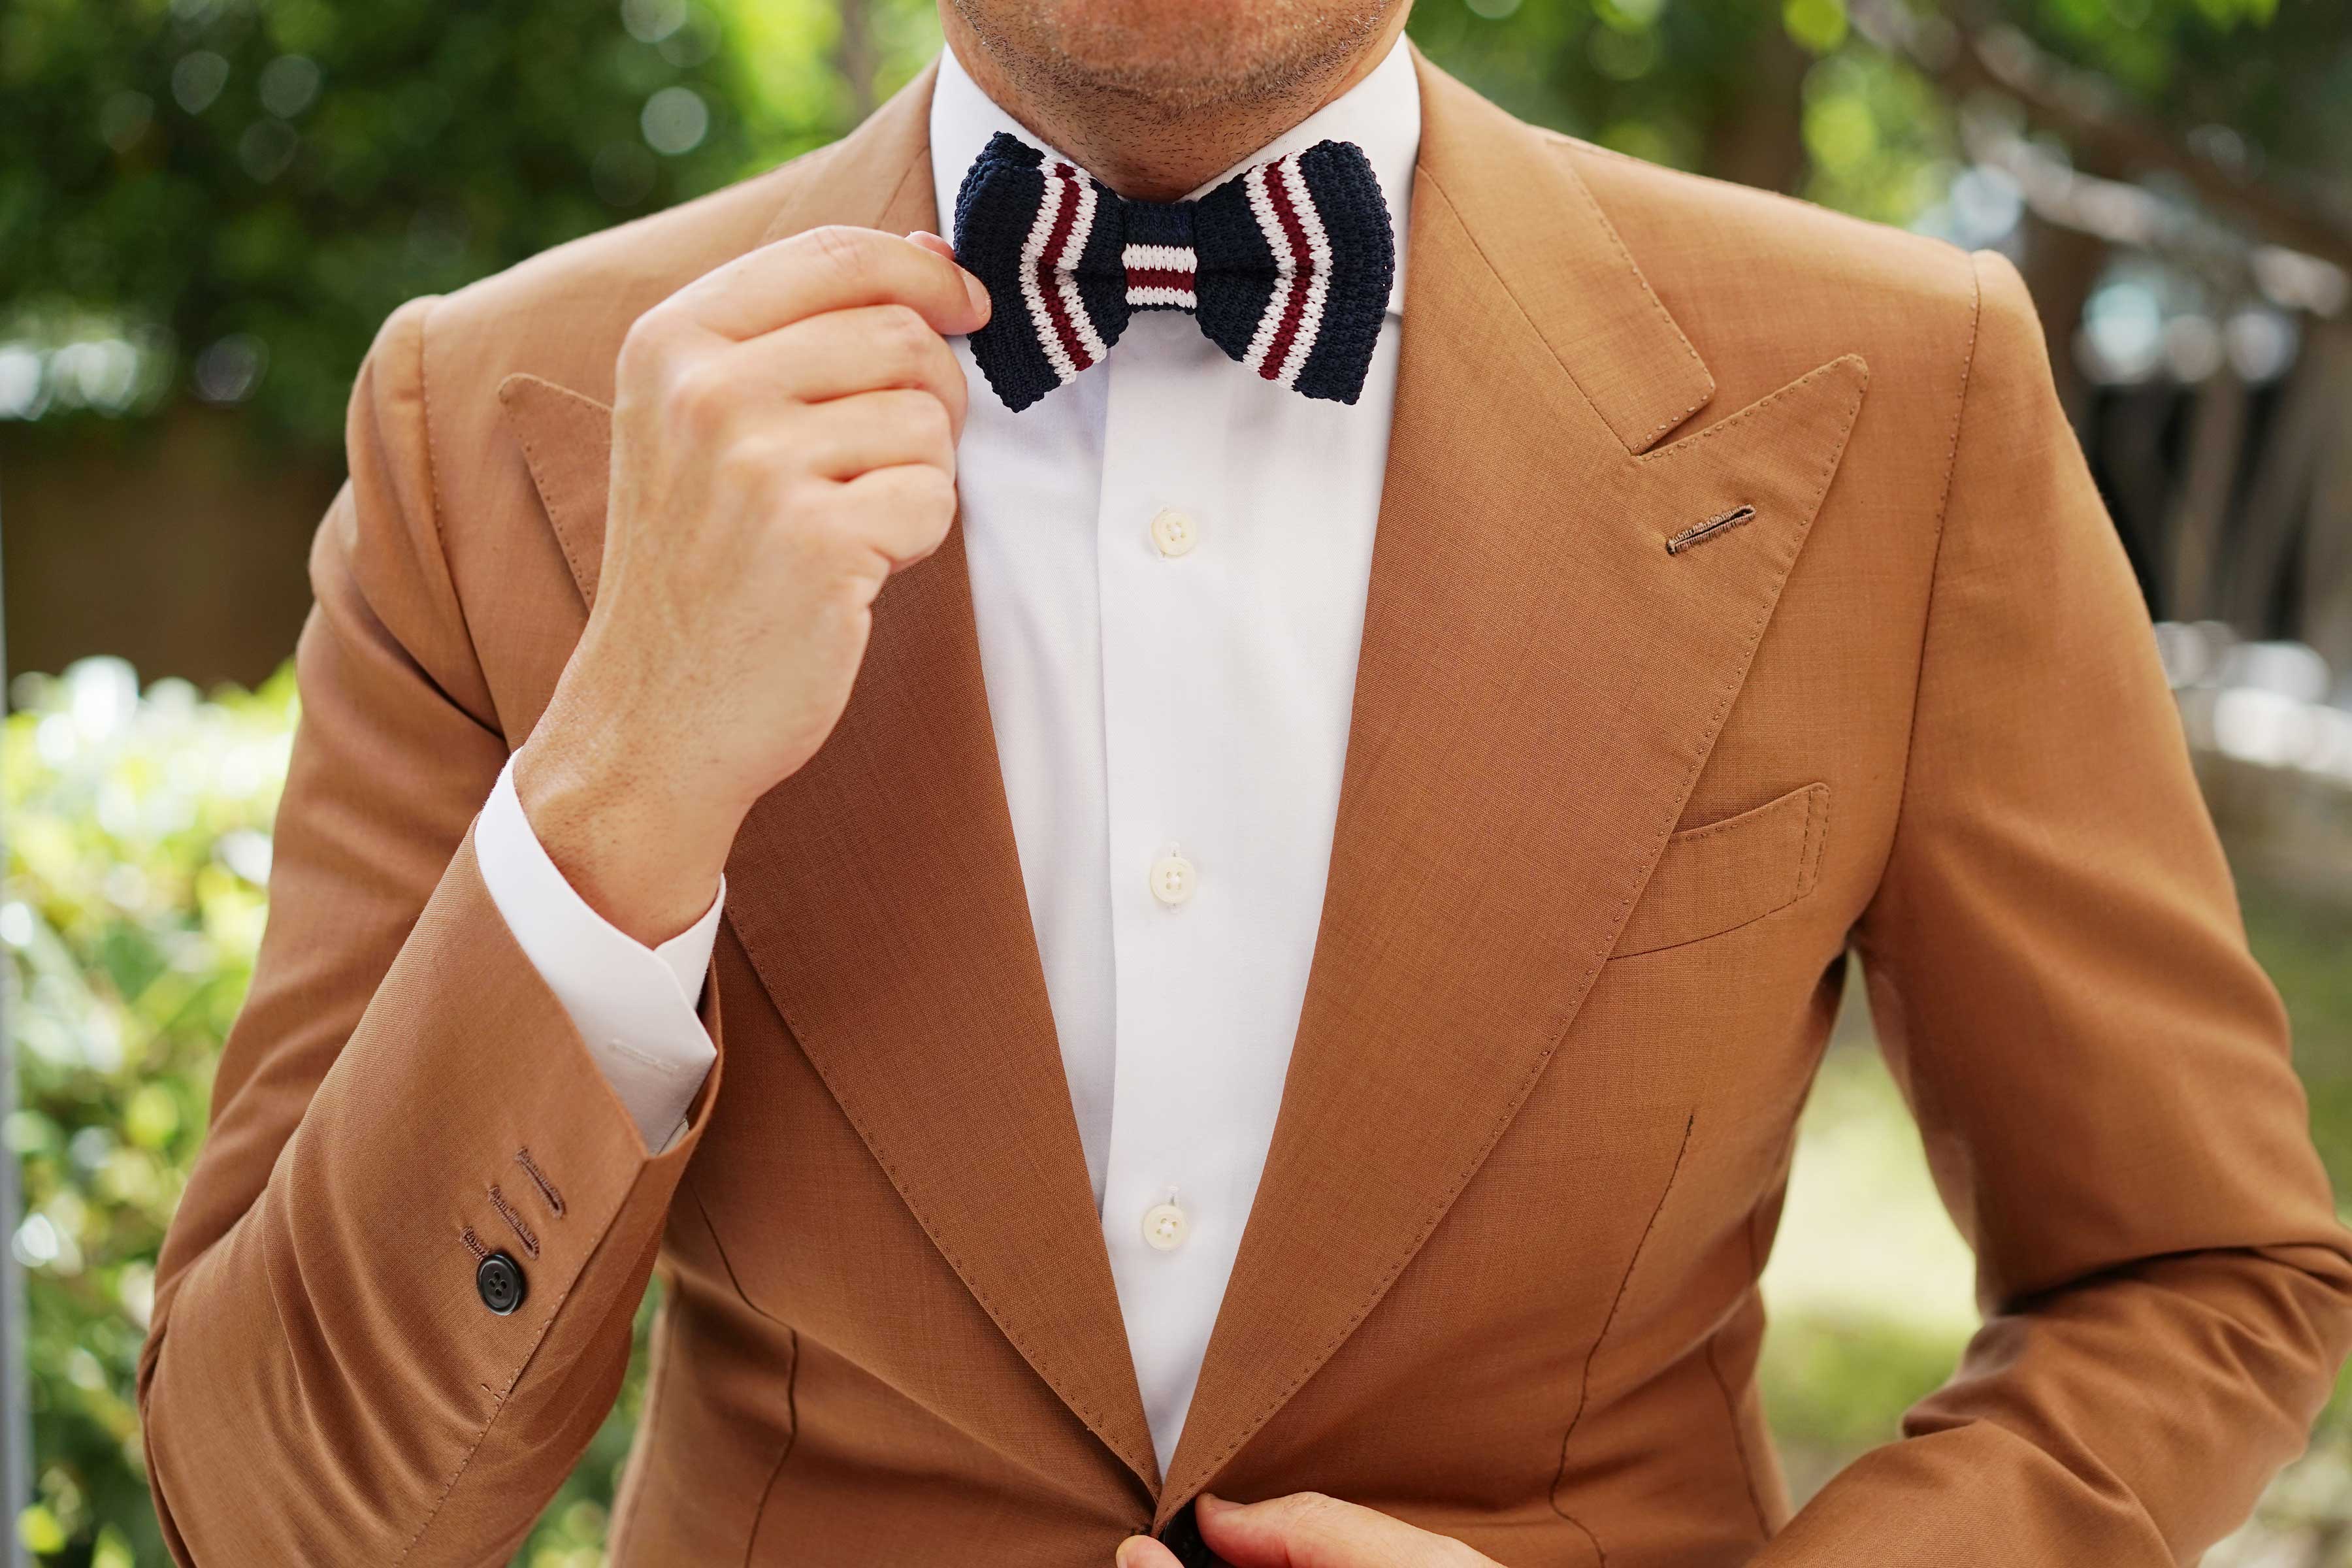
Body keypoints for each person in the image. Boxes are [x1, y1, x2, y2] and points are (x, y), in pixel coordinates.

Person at [137, 0, 2352, 1563]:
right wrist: (627, 773)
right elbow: (285, 1516)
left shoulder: (1907, 388)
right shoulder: (491, 421)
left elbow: (2206, 1273)